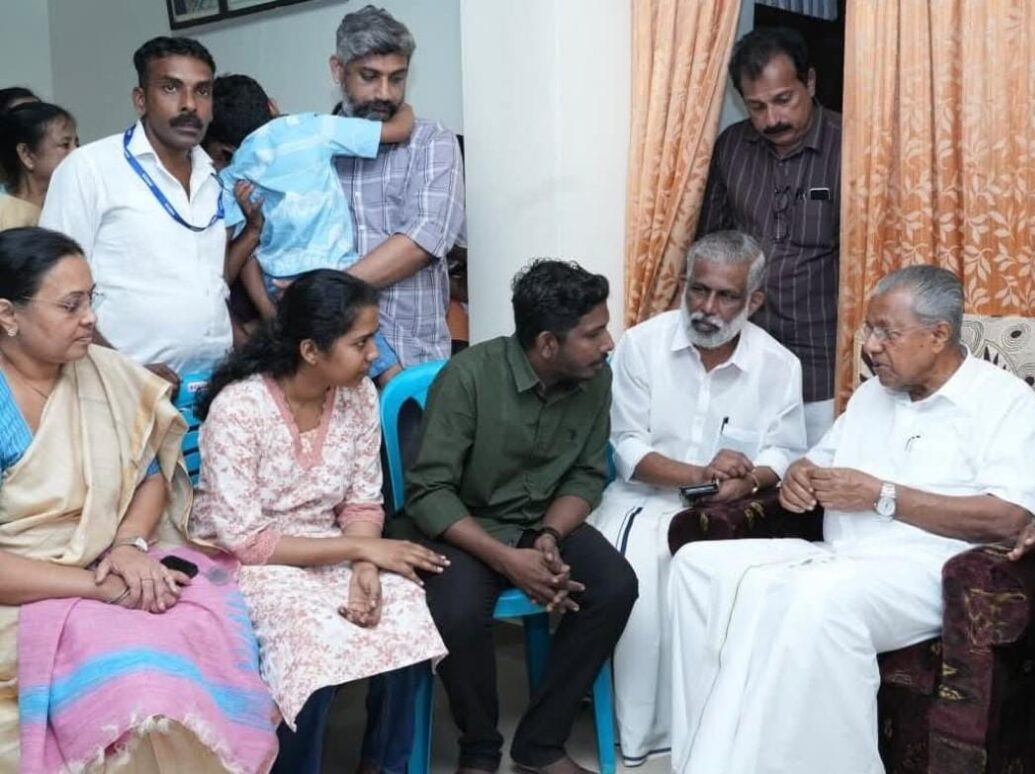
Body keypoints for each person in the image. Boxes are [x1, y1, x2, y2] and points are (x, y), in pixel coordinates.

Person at [668, 265, 1035, 774]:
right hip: (838, 556)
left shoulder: (1004, 403)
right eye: (869, 330)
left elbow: (1010, 517)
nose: (870, 347)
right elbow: (815, 463)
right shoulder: (873, 395)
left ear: (938, 335)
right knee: (697, 566)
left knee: (814, 599)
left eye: (886, 333)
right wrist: (800, 478)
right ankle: (708, 756)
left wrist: (883, 497)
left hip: (927, 573)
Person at [0, 227, 277, 772]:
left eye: (91, 299)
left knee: (201, 627)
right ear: (7, 315)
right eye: (70, 306)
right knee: (139, 677)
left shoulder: (107, 375)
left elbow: (152, 475)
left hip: (118, 566)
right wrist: (98, 587)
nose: (91, 319)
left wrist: (129, 545)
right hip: (27, 593)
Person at [188, 269, 449, 774]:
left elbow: (362, 504)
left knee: (404, 607)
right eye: (361, 342)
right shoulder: (239, 408)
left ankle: (386, 765)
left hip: (330, 545)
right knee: (310, 639)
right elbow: (247, 540)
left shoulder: (358, 395)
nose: (374, 354)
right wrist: (361, 551)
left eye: (373, 338)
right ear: (310, 350)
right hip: (243, 562)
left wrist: (366, 569)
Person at [397, 260, 638, 774]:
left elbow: (586, 474)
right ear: (548, 344)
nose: (608, 343)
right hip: (465, 525)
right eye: (593, 334)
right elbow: (429, 491)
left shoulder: (595, 379)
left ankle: (540, 743)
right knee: (457, 612)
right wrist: (507, 560)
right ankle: (480, 748)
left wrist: (550, 533)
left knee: (615, 586)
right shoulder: (468, 377)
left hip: (541, 518)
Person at [587, 230, 806, 765]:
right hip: (641, 500)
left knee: (737, 589)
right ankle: (642, 734)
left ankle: (712, 730)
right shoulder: (642, 345)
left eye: (726, 296)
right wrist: (699, 475)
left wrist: (747, 482)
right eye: (699, 290)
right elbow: (626, 446)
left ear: (754, 300)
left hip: (727, 511)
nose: (707, 308)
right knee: (645, 572)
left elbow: (783, 451)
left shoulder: (779, 365)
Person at [40, 37, 239, 385]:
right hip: (116, 386)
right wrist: (126, 374)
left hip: (208, 385)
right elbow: (53, 288)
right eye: (171, 88)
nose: (189, 104)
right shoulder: (90, 168)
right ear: (140, 99)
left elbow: (211, 283)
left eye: (202, 91)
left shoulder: (213, 178)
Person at [203, 72, 407, 382]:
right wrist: (406, 110)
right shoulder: (309, 126)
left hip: (281, 286)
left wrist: (270, 313)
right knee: (377, 361)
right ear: (272, 106)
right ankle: (403, 402)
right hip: (335, 277)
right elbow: (398, 130)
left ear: (224, 149)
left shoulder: (232, 177)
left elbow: (241, 260)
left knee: (309, 373)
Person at [697, 27, 842, 444]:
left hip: (823, 363)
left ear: (809, 82)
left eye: (783, 100)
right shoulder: (732, 148)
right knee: (743, 473)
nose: (772, 120)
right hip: (746, 357)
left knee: (814, 474)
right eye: (756, 107)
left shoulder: (851, 148)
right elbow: (710, 245)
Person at [330, 5, 466, 367]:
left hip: (414, 361)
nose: (385, 93)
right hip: (329, 366)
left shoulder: (431, 141)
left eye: (397, 78)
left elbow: (423, 240)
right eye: (370, 77)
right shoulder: (315, 148)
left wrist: (327, 292)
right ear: (338, 71)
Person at [0, 103, 77, 230]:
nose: (76, 152)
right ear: (27, 154)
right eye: (65, 145)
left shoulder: (76, 200)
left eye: (76, 143)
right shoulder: (4, 212)